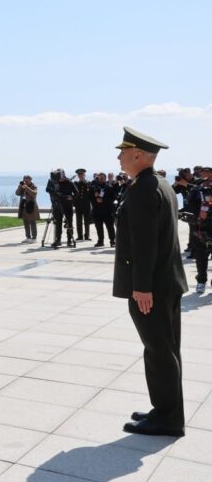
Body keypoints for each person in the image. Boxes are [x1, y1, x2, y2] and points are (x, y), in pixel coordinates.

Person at [113, 127, 188, 437]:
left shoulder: (144, 188)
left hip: (152, 287)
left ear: (138, 155)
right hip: (167, 282)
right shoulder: (159, 183)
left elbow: (145, 243)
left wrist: (141, 286)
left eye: (123, 152)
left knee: (158, 350)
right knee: (166, 349)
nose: (119, 157)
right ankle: (165, 409)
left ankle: (168, 419)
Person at [44, 169, 75, 249]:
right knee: (58, 223)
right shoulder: (52, 182)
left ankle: (70, 240)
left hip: (67, 206)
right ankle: (58, 240)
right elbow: (48, 189)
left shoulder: (68, 182)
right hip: (57, 205)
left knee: (69, 222)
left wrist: (71, 197)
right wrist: (54, 193)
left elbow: (77, 193)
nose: (58, 179)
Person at [91, 172, 117, 247]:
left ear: (105, 179)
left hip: (107, 211)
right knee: (98, 227)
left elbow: (113, 198)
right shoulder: (95, 188)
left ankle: (112, 241)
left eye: (102, 178)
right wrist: (95, 197)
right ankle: (100, 241)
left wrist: (103, 200)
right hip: (97, 210)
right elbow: (89, 198)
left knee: (110, 227)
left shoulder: (109, 187)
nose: (100, 179)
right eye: (99, 178)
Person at [15, 175, 40, 243]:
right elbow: (17, 193)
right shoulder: (22, 186)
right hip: (24, 206)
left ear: (30, 180)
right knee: (25, 222)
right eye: (24, 179)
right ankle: (28, 237)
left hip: (31, 206)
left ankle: (34, 238)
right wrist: (20, 187)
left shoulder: (34, 186)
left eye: (27, 179)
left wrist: (26, 188)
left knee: (32, 222)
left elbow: (34, 194)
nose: (25, 180)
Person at [72, 168, 92, 241]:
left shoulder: (88, 183)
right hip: (78, 205)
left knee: (87, 221)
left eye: (82, 174)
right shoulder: (76, 184)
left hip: (86, 204)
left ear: (84, 175)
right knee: (79, 221)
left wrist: (84, 182)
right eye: (79, 175)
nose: (80, 176)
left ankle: (87, 235)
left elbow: (90, 192)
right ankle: (80, 236)